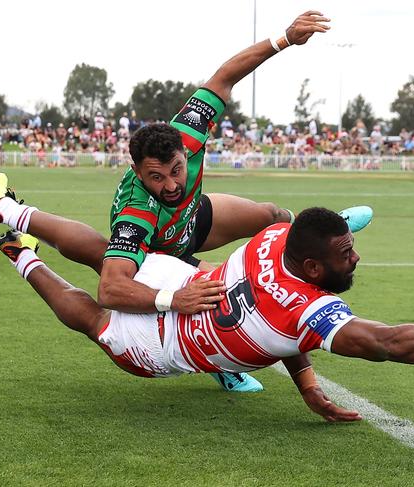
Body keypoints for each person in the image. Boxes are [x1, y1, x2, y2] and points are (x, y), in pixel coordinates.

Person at [0, 206, 414, 422]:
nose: (356, 257)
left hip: (185, 281)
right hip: (166, 342)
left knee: (106, 251)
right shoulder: (309, 307)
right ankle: (24, 256)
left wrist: (305, 384)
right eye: (344, 253)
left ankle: (12, 209)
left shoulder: (277, 236)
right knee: (92, 318)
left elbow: (285, 321)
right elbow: (389, 343)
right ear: (311, 266)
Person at [78, 11, 368, 391]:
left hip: (194, 218)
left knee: (270, 215)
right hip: (162, 251)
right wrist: (171, 297)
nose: (169, 186)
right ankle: (222, 366)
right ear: (136, 169)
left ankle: (315, 231)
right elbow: (112, 289)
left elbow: (224, 77)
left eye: (176, 171)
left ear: (184, 151)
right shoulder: (135, 213)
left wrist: (284, 38)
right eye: (156, 178)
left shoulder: (187, 132)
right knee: (217, 293)